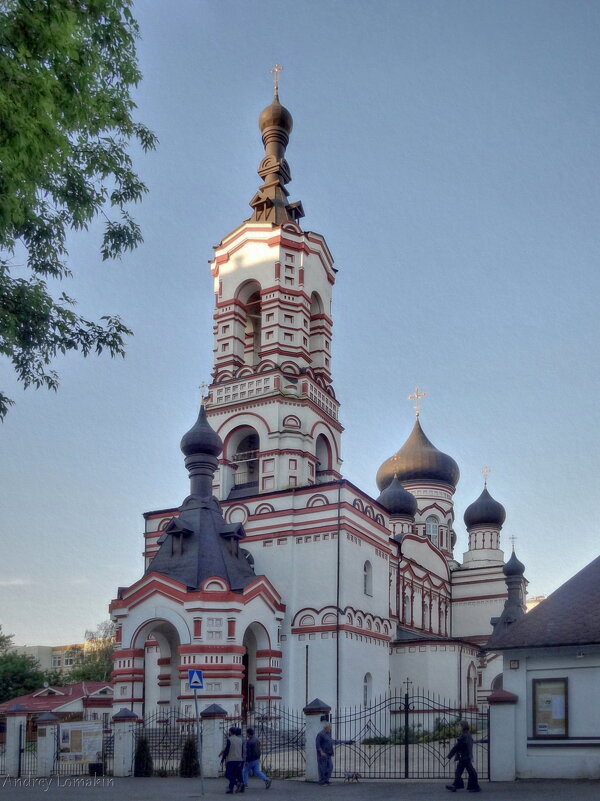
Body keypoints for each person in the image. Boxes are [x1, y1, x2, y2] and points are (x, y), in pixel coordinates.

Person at [446, 720, 481, 793]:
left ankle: (475, 787)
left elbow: (457, 747)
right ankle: (456, 786)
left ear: (462, 726)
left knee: (470, 772)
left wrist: (450, 755)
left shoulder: (464, 735)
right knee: (459, 772)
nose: (458, 727)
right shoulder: (467, 734)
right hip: (465, 756)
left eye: (459, 726)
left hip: (464, 757)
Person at [315, 721, 354, 786]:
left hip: (328, 754)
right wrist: (321, 752)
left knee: (330, 767)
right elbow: (317, 744)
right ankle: (322, 782)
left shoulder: (328, 734)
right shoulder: (320, 734)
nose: (331, 728)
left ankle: (326, 780)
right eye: (330, 727)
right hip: (322, 755)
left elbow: (332, 742)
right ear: (326, 727)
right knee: (322, 769)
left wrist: (347, 742)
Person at [220, 726, 246, 794]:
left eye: (229, 731)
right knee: (234, 775)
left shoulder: (230, 739)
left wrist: (222, 759)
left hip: (231, 759)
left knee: (227, 774)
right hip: (239, 759)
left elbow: (227, 750)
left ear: (230, 732)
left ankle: (237, 783)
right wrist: (242, 760)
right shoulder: (240, 739)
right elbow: (242, 750)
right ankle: (231, 789)